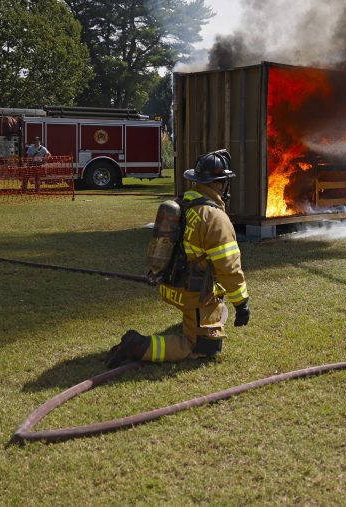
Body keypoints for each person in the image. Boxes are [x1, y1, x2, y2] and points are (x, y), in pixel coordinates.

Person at [106, 149, 251, 367]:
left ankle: (196, 319)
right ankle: (138, 346)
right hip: (192, 293)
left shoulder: (182, 203)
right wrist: (242, 303)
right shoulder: (215, 218)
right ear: (220, 184)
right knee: (202, 347)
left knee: (210, 317)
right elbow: (228, 267)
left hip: (170, 286)